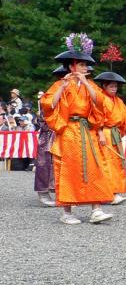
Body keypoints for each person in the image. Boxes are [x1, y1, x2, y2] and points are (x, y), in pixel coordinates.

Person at [41, 43, 114, 225]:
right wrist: (63, 86)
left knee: (93, 167)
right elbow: (48, 105)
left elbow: (100, 102)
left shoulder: (90, 85)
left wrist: (87, 83)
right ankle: (67, 211)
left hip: (86, 130)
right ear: (72, 66)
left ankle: (96, 209)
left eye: (85, 65)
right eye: (81, 65)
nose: (85, 68)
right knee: (68, 169)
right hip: (68, 131)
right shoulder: (60, 83)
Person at [94, 71, 126, 206]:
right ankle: (108, 193)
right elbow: (96, 117)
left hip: (115, 133)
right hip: (105, 133)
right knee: (106, 163)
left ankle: (115, 191)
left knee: (117, 163)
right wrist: (100, 132)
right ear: (104, 86)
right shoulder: (100, 99)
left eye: (115, 86)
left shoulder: (118, 101)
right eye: (111, 86)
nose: (114, 89)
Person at [34, 65, 68, 206]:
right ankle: (43, 192)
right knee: (45, 163)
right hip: (49, 133)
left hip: (63, 133)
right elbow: (44, 114)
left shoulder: (69, 94)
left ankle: (64, 192)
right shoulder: (50, 94)